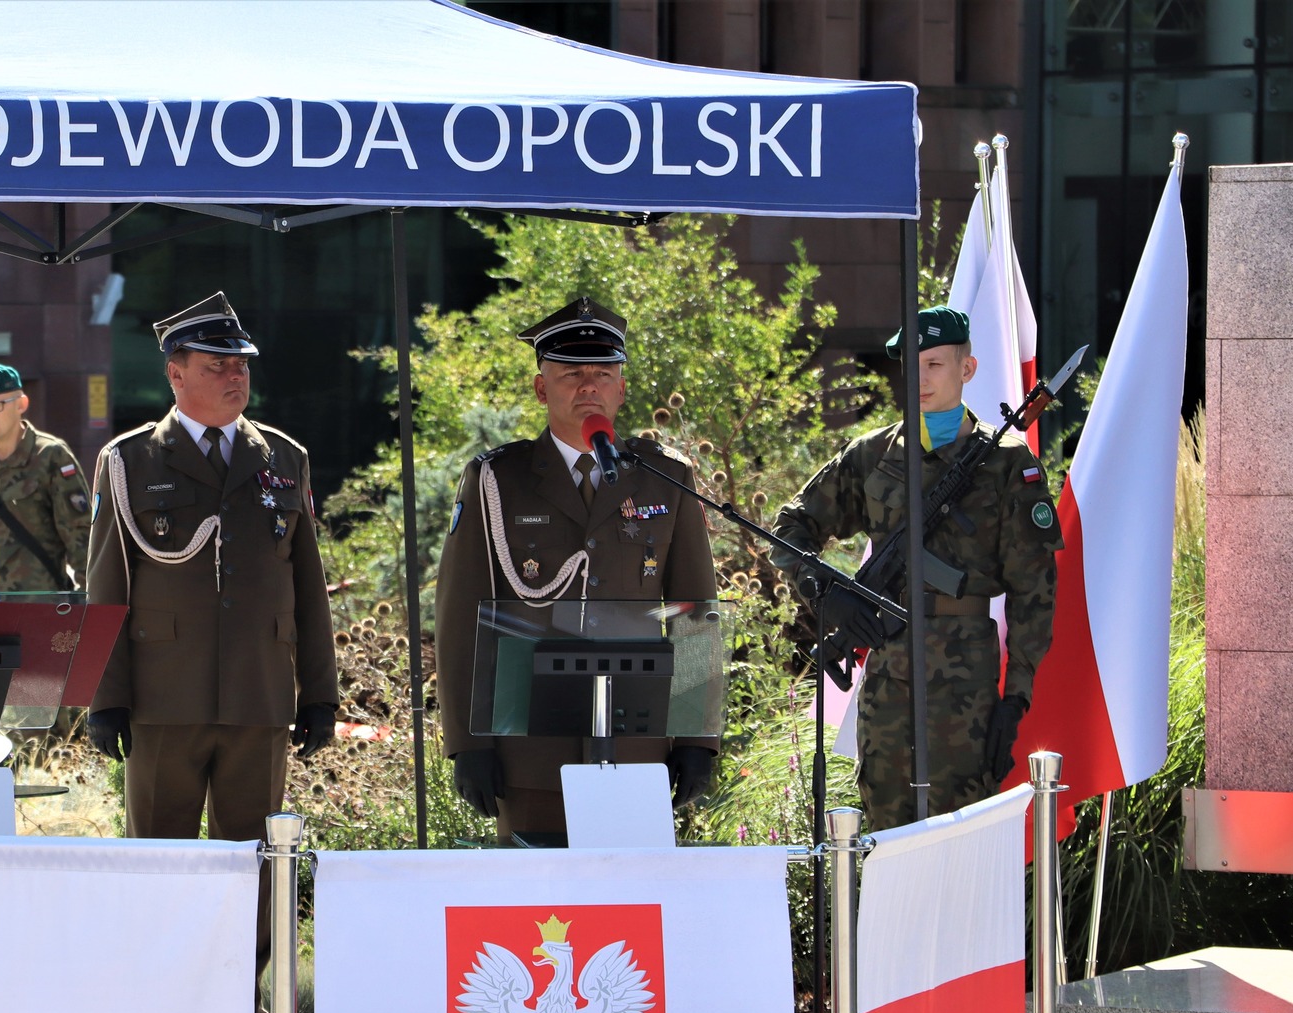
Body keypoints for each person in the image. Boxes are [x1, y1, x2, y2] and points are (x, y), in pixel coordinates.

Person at [84, 292, 337, 1013]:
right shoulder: (130, 460)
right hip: (162, 698)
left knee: (252, 864)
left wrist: (320, 692)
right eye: (217, 363)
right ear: (175, 373)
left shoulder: (282, 458)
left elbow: (308, 586)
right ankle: (163, 1012)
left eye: (241, 364)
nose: (235, 375)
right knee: (160, 859)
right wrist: (105, 698)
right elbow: (106, 585)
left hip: (258, 695)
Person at [433, 296, 721, 843]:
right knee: (535, 892)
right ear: (542, 389)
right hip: (530, 749)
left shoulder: (665, 479)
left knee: (631, 891)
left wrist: (696, 737)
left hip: (636, 746)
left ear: (621, 389)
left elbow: (694, 611)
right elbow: (460, 616)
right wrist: (468, 742)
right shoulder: (498, 479)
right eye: (571, 374)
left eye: (603, 374)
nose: (589, 386)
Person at [770, 304, 1062, 833]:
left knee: (960, 840)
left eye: (935, 365)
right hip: (888, 678)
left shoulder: (1006, 462)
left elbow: (1034, 590)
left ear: (967, 369)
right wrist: (827, 594)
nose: (921, 379)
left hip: (965, 684)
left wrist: (1015, 698)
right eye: (912, 365)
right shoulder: (873, 455)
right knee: (887, 834)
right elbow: (790, 527)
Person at [0, 364, 92, 594]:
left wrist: (86, 603)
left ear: (21, 404)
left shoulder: (50, 455)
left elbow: (81, 538)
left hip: (38, 606)